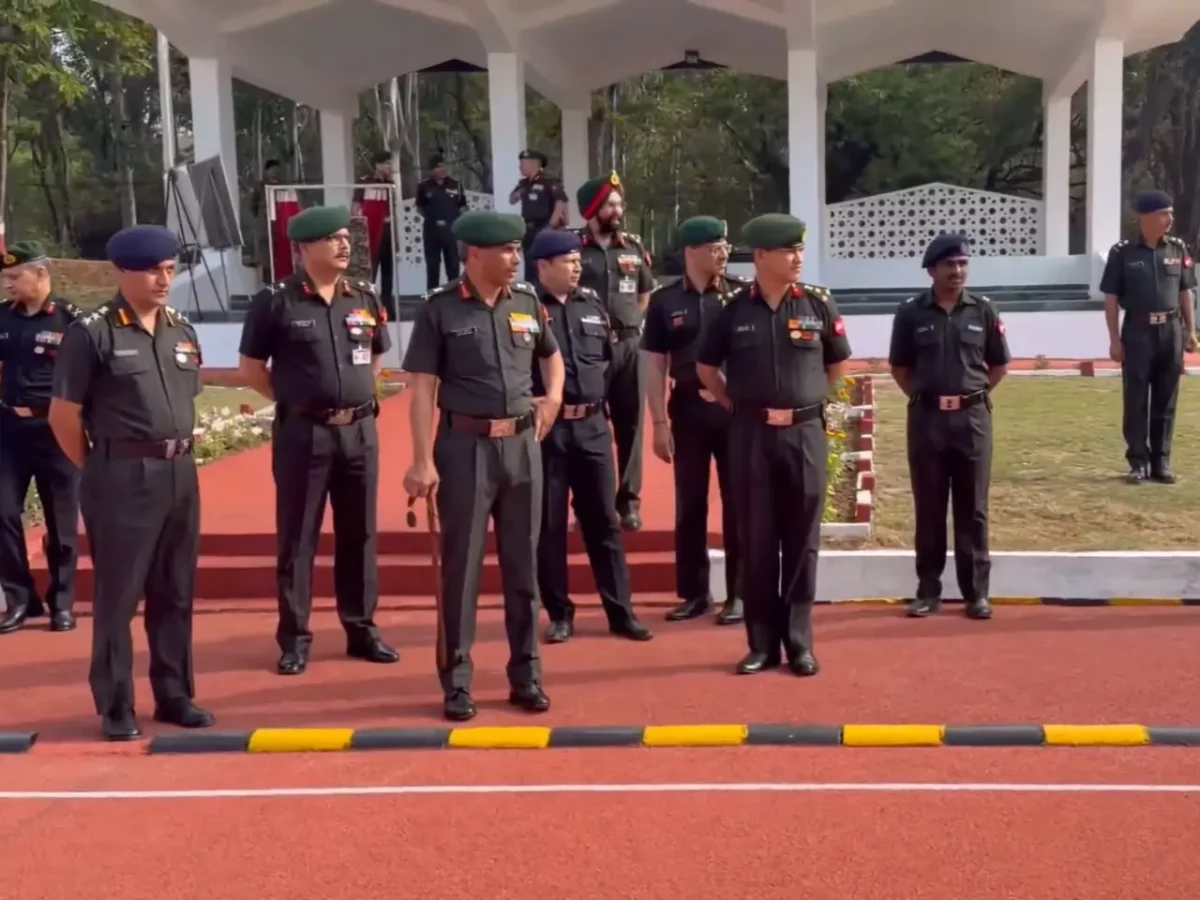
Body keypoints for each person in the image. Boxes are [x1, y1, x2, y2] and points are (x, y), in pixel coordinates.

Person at [49, 224, 213, 740]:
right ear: (122, 271)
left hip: (180, 472)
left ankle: (174, 694)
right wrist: (100, 467)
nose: (163, 279)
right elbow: (63, 415)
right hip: (122, 474)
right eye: (152, 270)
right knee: (119, 597)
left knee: (175, 591)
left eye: (169, 269)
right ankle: (116, 704)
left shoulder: (181, 328)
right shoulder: (93, 332)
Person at [402, 209, 564, 723]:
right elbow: (423, 387)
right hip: (465, 447)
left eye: (518, 249)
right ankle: (457, 680)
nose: (516, 258)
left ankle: (526, 674)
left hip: (521, 447)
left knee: (524, 565)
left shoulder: (527, 304)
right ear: (474, 254)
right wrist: (422, 459)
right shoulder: (441, 310)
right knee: (463, 567)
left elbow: (550, 355)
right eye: (506, 251)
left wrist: (554, 397)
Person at [237, 205, 399, 676]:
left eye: (346, 237)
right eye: (331, 239)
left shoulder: (363, 295)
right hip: (304, 433)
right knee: (298, 537)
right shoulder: (275, 301)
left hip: (359, 431)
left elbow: (376, 357)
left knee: (360, 534)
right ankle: (294, 637)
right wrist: (296, 401)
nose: (344, 245)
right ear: (304, 248)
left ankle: (361, 628)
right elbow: (251, 370)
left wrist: (360, 395)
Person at [696, 214, 850, 676]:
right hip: (752, 436)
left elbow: (836, 364)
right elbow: (706, 368)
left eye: (800, 250)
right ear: (761, 256)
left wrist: (809, 403)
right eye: (788, 251)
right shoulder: (732, 307)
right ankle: (761, 644)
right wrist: (735, 405)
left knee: (802, 542)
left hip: (803, 434)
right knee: (757, 540)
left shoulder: (818, 304)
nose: (798, 258)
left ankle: (799, 642)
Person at [528, 228, 654, 645]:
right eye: (567, 260)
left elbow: (609, 365)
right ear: (543, 266)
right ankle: (560, 613)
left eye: (577, 258)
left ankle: (621, 612)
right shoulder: (526, 309)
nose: (577, 265)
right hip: (549, 430)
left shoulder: (592, 305)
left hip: (593, 428)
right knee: (549, 526)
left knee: (604, 521)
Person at [887, 234, 1010, 620]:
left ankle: (976, 593)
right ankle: (928, 590)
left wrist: (967, 396)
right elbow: (900, 368)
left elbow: (998, 365)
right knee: (929, 505)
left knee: (973, 508)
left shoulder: (984, 310)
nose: (957, 272)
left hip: (972, 420)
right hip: (927, 420)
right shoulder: (910, 312)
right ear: (931, 270)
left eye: (962, 264)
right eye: (949, 265)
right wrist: (931, 397)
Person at [641, 217, 745, 626]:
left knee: (738, 502)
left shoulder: (740, 294)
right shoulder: (666, 302)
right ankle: (694, 593)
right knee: (690, 502)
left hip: (733, 408)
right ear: (690, 251)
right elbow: (653, 364)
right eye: (713, 245)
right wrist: (658, 422)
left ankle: (738, 593)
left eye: (724, 244)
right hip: (686, 408)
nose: (722, 251)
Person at [0, 242, 82, 634]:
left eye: (16, 276)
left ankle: (62, 601)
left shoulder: (72, 320)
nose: (9, 284)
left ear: (42, 274)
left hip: (55, 430)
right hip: (8, 431)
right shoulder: (1, 317)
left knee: (61, 521)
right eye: (6, 278)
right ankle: (20, 599)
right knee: (2, 514)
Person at [1101, 189, 1197, 484]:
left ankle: (1161, 461)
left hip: (1170, 330)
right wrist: (1115, 340)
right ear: (1145, 217)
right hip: (1138, 330)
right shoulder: (1122, 253)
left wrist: (1190, 331)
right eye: (1163, 213)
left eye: (1170, 213)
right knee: (1137, 398)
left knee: (1166, 399)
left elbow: (1185, 292)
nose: (1170, 219)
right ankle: (1138, 461)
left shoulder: (1178, 249)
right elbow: (1111, 299)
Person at [575, 173, 654, 530]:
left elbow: (643, 293)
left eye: (620, 203)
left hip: (628, 346)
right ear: (592, 209)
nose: (617, 209)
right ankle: (590, 503)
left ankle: (628, 503)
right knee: (588, 426)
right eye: (610, 204)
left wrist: (631, 323)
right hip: (587, 351)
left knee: (631, 426)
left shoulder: (633, 247)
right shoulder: (573, 248)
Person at [509, 149, 569, 282]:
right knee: (530, 265)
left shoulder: (549, 181)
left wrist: (550, 226)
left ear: (532, 164)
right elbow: (512, 200)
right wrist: (523, 190)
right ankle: (531, 292)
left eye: (523, 164)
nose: (520, 167)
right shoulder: (523, 183)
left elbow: (561, 203)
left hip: (543, 227)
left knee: (543, 264)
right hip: (528, 230)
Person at [352, 151, 397, 320]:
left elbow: (392, 210)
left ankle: (387, 307)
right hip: (370, 232)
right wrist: (358, 233)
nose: (389, 167)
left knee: (388, 272)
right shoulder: (365, 182)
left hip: (387, 231)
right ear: (377, 165)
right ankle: (368, 305)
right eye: (386, 163)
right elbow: (355, 208)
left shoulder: (391, 184)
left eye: (389, 163)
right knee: (371, 270)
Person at [415, 154, 468, 291]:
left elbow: (463, 208)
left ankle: (454, 299)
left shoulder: (456, 185)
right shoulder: (424, 186)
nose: (443, 169)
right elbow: (419, 208)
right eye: (439, 166)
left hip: (451, 231)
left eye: (444, 165)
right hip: (432, 232)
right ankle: (432, 300)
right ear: (432, 169)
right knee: (433, 267)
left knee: (453, 266)